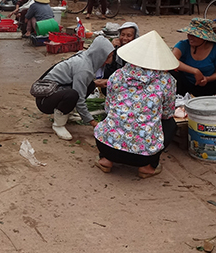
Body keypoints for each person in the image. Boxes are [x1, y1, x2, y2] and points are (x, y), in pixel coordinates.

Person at [94, 31, 178, 179]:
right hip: (142, 155)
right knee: (170, 124)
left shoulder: (118, 75)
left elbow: (108, 107)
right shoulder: (167, 80)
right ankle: (147, 167)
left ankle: (106, 160)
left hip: (107, 146)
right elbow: (167, 113)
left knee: (110, 117)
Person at [34, 36, 115, 139]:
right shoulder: (84, 68)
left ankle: (67, 113)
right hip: (44, 100)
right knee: (73, 95)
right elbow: (79, 98)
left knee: (90, 85)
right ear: (99, 55)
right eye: (108, 57)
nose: (109, 61)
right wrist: (93, 122)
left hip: (56, 90)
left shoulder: (86, 57)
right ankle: (58, 124)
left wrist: (96, 84)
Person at [171, 18, 216, 96]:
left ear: (204, 37)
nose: (190, 37)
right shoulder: (183, 45)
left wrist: (207, 79)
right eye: (189, 34)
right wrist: (195, 71)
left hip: (208, 86)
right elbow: (171, 60)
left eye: (194, 35)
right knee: (169, 73)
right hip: (185, 85)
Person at [96, 21, 140, 89]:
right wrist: (110, 48)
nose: (125, 38)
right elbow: (106, 67)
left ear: (134, 37)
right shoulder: (117, 48)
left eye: (129, 36)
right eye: (122, 35)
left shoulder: (138, 52)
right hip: (115, 82)